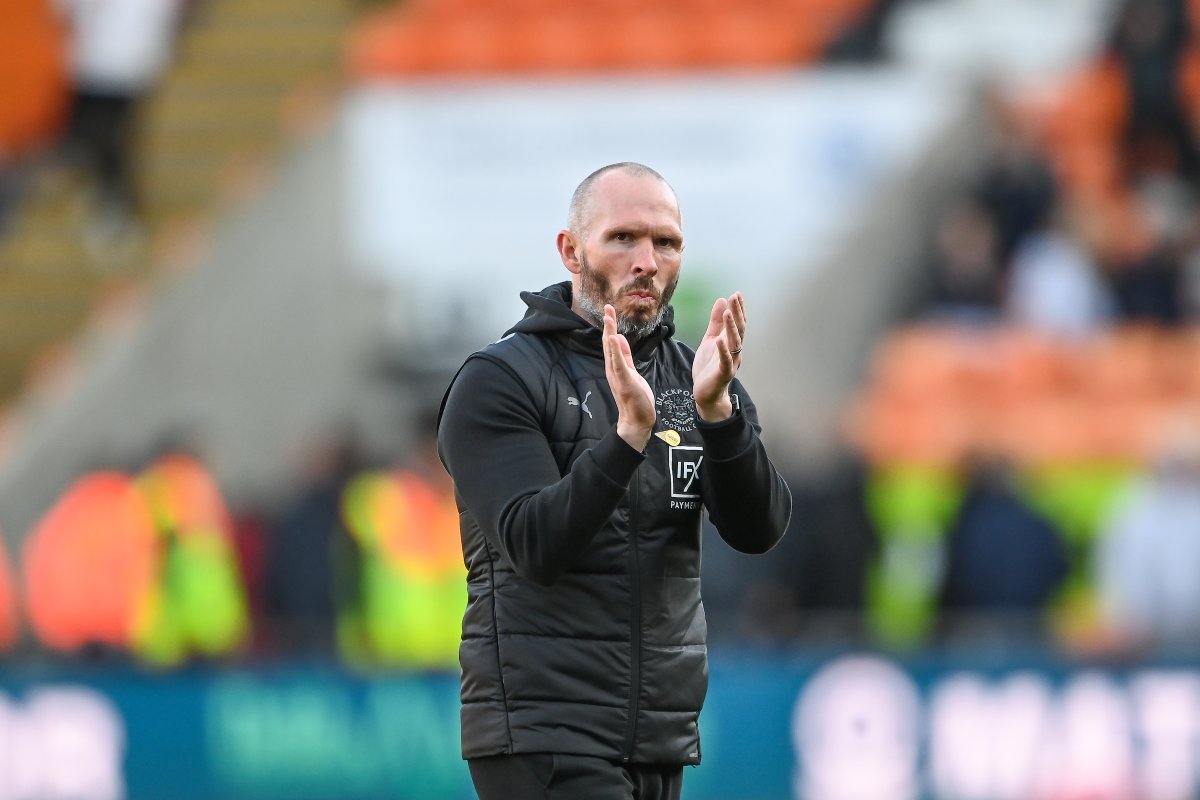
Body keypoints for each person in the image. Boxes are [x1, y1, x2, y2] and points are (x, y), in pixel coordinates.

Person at [437, 162, 793, 800]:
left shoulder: (695, 381)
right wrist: (628, 438)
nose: (647, 261)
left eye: (666, 241)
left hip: (659, 733)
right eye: (624, 238)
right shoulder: (501, 380)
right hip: (542, 730)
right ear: (572, 250)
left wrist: (720, 416)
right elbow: (534, 546)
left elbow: (759, 530)